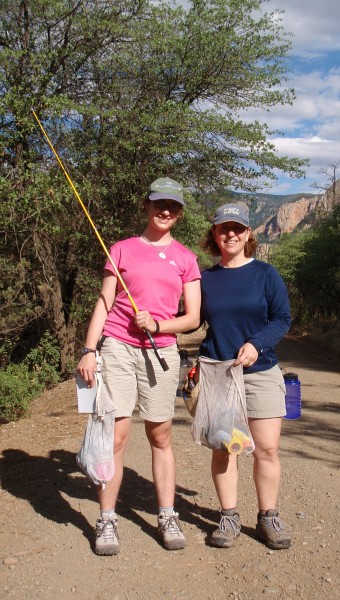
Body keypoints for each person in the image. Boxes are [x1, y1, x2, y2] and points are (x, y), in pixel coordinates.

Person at [77, 177, 201, 555]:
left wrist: (160, 325)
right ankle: (107, 519)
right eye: (159, 204)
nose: (166, 211)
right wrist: (89, 349)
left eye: (174, 207)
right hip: (117, 348)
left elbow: (193, 317)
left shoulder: (185, 257)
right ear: (146, 206)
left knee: (160, 436)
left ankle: (166, 515)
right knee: (116, 436)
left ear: (179, 214)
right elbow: (104, 301)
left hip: (161, 351)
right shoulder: (121, 249)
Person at [198, 203, 292, 550]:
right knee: (226, 448)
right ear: (216, 235)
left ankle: (268, 516)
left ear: (249, 234)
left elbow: (282, 318)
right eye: (224, 228)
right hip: (219, 374)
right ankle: (228, 515)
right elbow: (192, 319)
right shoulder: (204, 279)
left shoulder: (266, 274)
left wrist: (256, 344)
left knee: (267, 449)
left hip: (261, 371)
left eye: (238, 228)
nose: (231, 234)